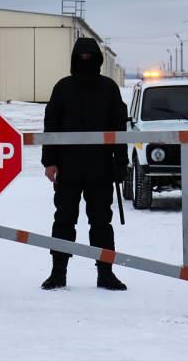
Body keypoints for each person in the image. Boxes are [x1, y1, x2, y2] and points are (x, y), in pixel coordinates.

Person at [40, 37, 130, 291]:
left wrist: (120, 163)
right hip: (68, 168)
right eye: (82, 56)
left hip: (100, 168)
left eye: (91, 56)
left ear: (99, 59)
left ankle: (106, 273)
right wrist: (50, 162)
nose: (86, 60)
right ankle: (58, 272)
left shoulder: (109, 88)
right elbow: (51, 126)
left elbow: (118, 128)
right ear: (74, 58)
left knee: (101, 222)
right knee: (64, 220)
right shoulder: (63, 88)